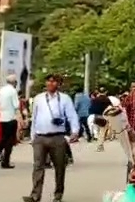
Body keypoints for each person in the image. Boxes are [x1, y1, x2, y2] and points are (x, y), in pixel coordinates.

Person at [22, 74, 79, 202]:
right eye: (49, 81)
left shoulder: (64, 99)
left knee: (59, 167)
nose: (51, 84)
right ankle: (35, 195)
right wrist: (33, 136)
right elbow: (35, 117)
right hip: (40, 137)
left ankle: (58, 195)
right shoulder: (38, 98)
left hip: (57, 137)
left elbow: (72, 116)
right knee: (38, 166)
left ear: (58, 84)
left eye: (54, 82)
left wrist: (75, 131)